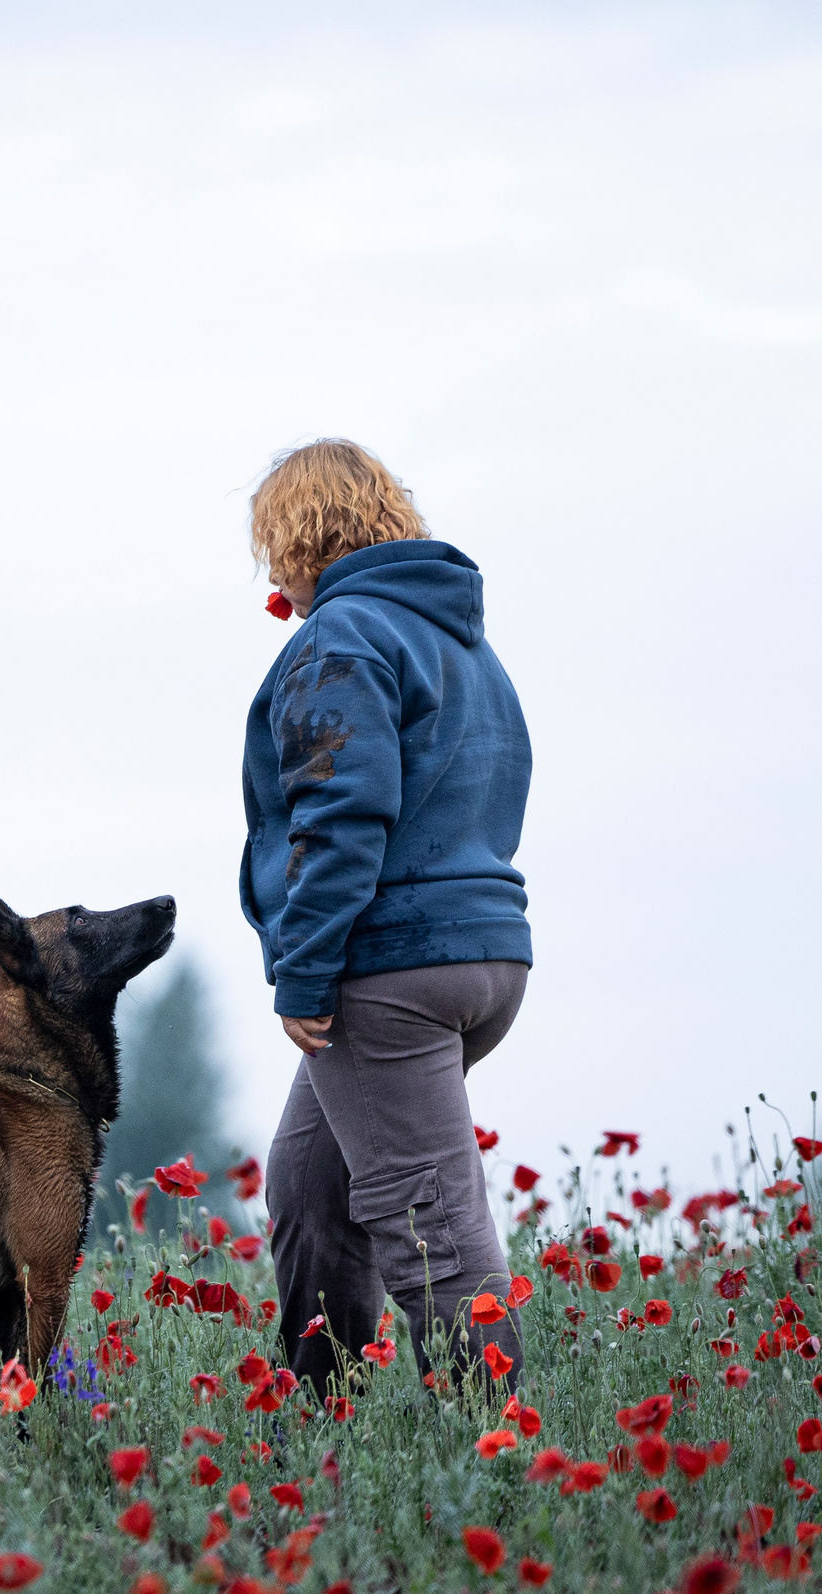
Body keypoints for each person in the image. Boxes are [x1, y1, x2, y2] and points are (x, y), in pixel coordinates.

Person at [239, 439, 531, 1400]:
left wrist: (306, 971)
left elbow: (341, 813)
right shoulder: (461, 642)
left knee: (432, 1230)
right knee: (309, 1183)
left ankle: (497, 1461)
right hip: (482, 956)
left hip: (387, 970)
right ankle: (319, 1424)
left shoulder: (344, 637)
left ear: (295, 536)